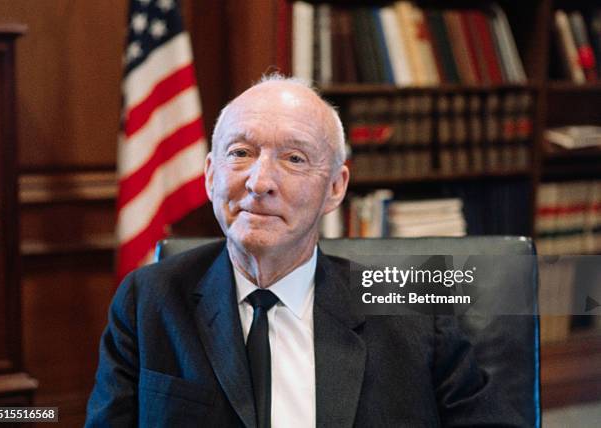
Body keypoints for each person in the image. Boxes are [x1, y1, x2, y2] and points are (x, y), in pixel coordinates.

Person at [86, 75, 525, 427]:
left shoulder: (410, 311)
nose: (259, 182)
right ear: (209, 176)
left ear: (336, 188)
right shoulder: (149, 300)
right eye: (240, 152)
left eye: (294, 159)